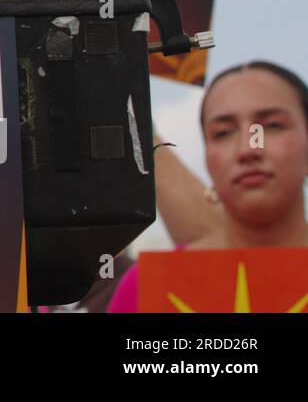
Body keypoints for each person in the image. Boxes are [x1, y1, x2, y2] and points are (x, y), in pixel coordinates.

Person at [107, 60, 308, 312]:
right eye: (223, 132)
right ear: (207, 156)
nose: (247, 149)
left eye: (272, 125)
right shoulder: (145, 286)